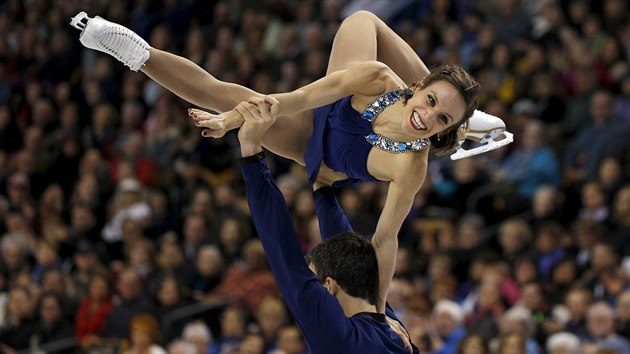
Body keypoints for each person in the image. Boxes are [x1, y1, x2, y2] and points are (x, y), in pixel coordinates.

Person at [70, 10, 510, 306]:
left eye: (441, 117)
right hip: (321, 109)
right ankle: (137, 53)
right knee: (361, 20)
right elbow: (289, 99)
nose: (426, 116)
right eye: (431, 100)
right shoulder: (379, 78)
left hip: (312, 149)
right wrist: (229, 120)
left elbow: (384, 241)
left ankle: (464, 124)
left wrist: (376, 311)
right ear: (416, 87)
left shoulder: (410, 166)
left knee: (222, 95)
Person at [234, 96, 417, 353]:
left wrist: (321, 187)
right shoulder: (393, 335)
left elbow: (283, 251)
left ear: (328, 286)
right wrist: (251, 153)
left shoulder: (362, 334)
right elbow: (290, 248)